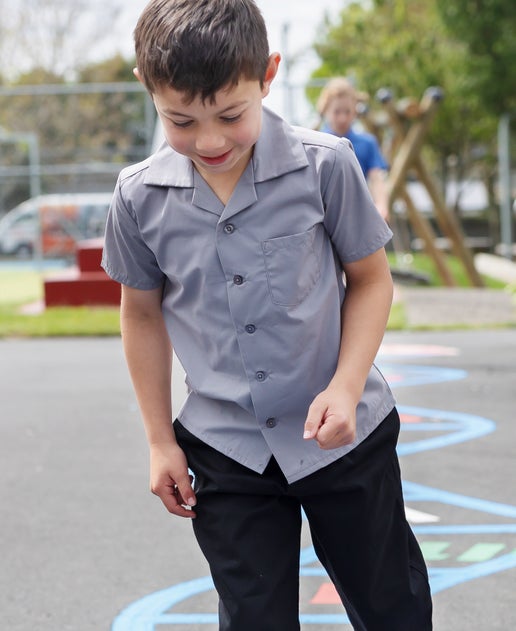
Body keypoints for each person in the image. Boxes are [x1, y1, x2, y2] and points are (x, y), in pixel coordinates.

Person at [101, 1, 432, 629]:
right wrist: (158, 441)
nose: (210, 141)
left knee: (393, 607)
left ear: (268, 75)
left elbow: (370, 280)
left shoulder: (326, 165)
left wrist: (346, 384)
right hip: (228, 452)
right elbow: (141, 315)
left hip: (344, 436)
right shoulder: (137, 196)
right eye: (180, 120)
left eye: (231, 115)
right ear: (148, 88)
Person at [317, 77, 390, 221]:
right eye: (337, 112)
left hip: (358, 215)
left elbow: (376, 178)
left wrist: (382, 205)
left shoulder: (367, 143)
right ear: (325, 110)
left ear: (355, 111)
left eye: (348, 112)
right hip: (325, 215)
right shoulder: (317, 143)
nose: (343, 118)